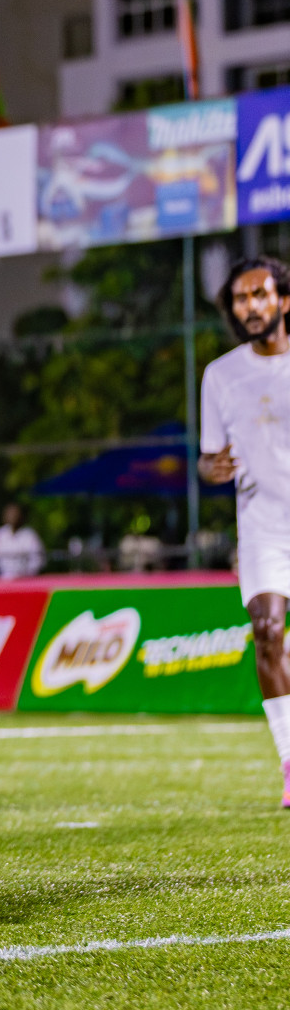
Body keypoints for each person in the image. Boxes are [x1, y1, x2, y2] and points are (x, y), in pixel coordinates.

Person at [199, 256, 290, 807]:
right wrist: (212, 469)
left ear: (284, 301)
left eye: (260, 294)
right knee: (268, 629)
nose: (250, 306)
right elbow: (208, 461)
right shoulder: (221, 374)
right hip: (263, 529)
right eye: (240, 298)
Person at [0, 502, 44, 579]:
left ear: (21, 516)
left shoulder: (29, 535)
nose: (13, 516)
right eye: (10, 514)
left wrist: (27, 572)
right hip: (5, 580)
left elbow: (39, 558)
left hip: (27, 580)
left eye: (15, 514)